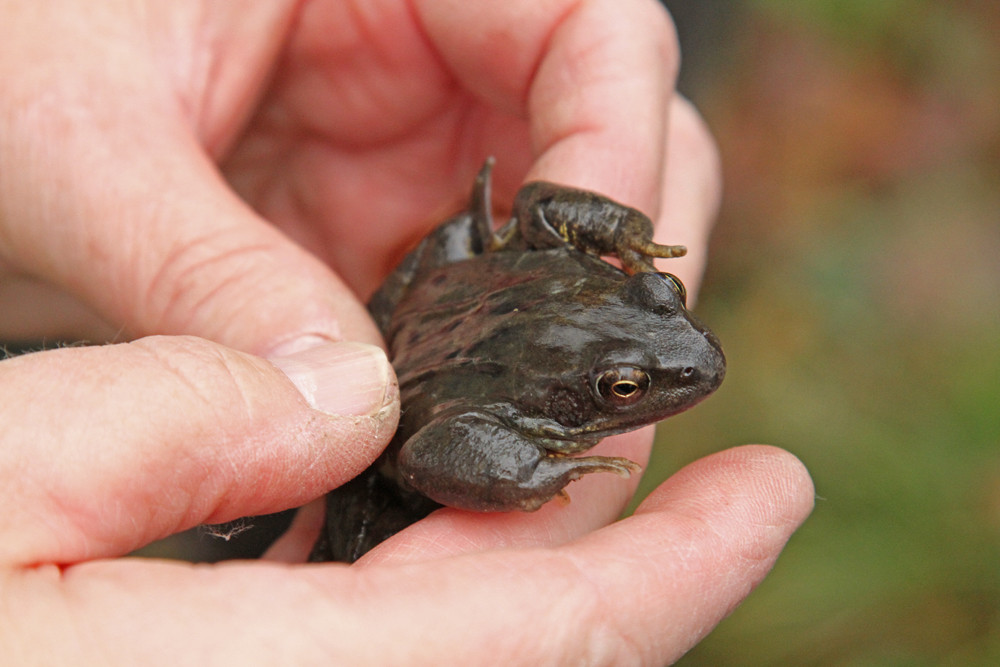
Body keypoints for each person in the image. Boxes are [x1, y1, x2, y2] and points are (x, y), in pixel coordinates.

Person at [0, 1, 813, 663]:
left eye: (655, 290)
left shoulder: (545, 255)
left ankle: (233, 552)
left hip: (446, 290)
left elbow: (532, 210)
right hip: (381, 417)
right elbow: (424, 451)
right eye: (625, 388)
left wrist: (619, 232)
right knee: (337, 532)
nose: (692, 356)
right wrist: (529, 470)